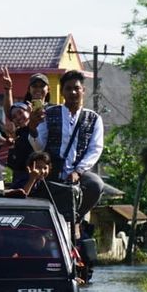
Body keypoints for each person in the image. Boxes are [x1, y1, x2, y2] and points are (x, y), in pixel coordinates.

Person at [30, 69, 104, 223]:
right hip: (52, 172)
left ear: (83, 90)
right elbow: (39, 147)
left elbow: (95, 149)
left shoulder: (94, 118)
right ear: (62, 92)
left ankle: (76, 219)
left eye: (77, 88)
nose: (73, 92)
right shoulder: (49, 113)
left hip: (78, 174)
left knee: (96, 185)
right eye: (68, 88)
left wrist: (78, 171)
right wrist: (32, 128)